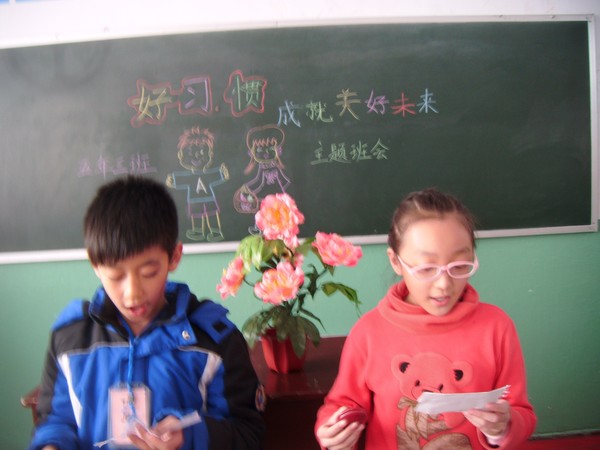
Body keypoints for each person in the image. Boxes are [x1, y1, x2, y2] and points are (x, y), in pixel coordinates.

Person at [28, 175, 265, 450]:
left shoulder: (214, 341)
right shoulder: (70, 339)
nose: (133, 294)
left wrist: (188, 438)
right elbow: (55, 421)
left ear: (174, 257)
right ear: (95, 265)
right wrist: (51, 445)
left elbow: (248, 434)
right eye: (116, 276)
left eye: (149, 273)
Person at [315, 188, 536, 450]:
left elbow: (520, 411)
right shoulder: (369, 332)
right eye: (426, 268)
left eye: (459, 266)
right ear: (395, 262)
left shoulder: (496, 327)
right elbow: (344, 404)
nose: (444, 284)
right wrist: (332, 431)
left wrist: (502, 428)